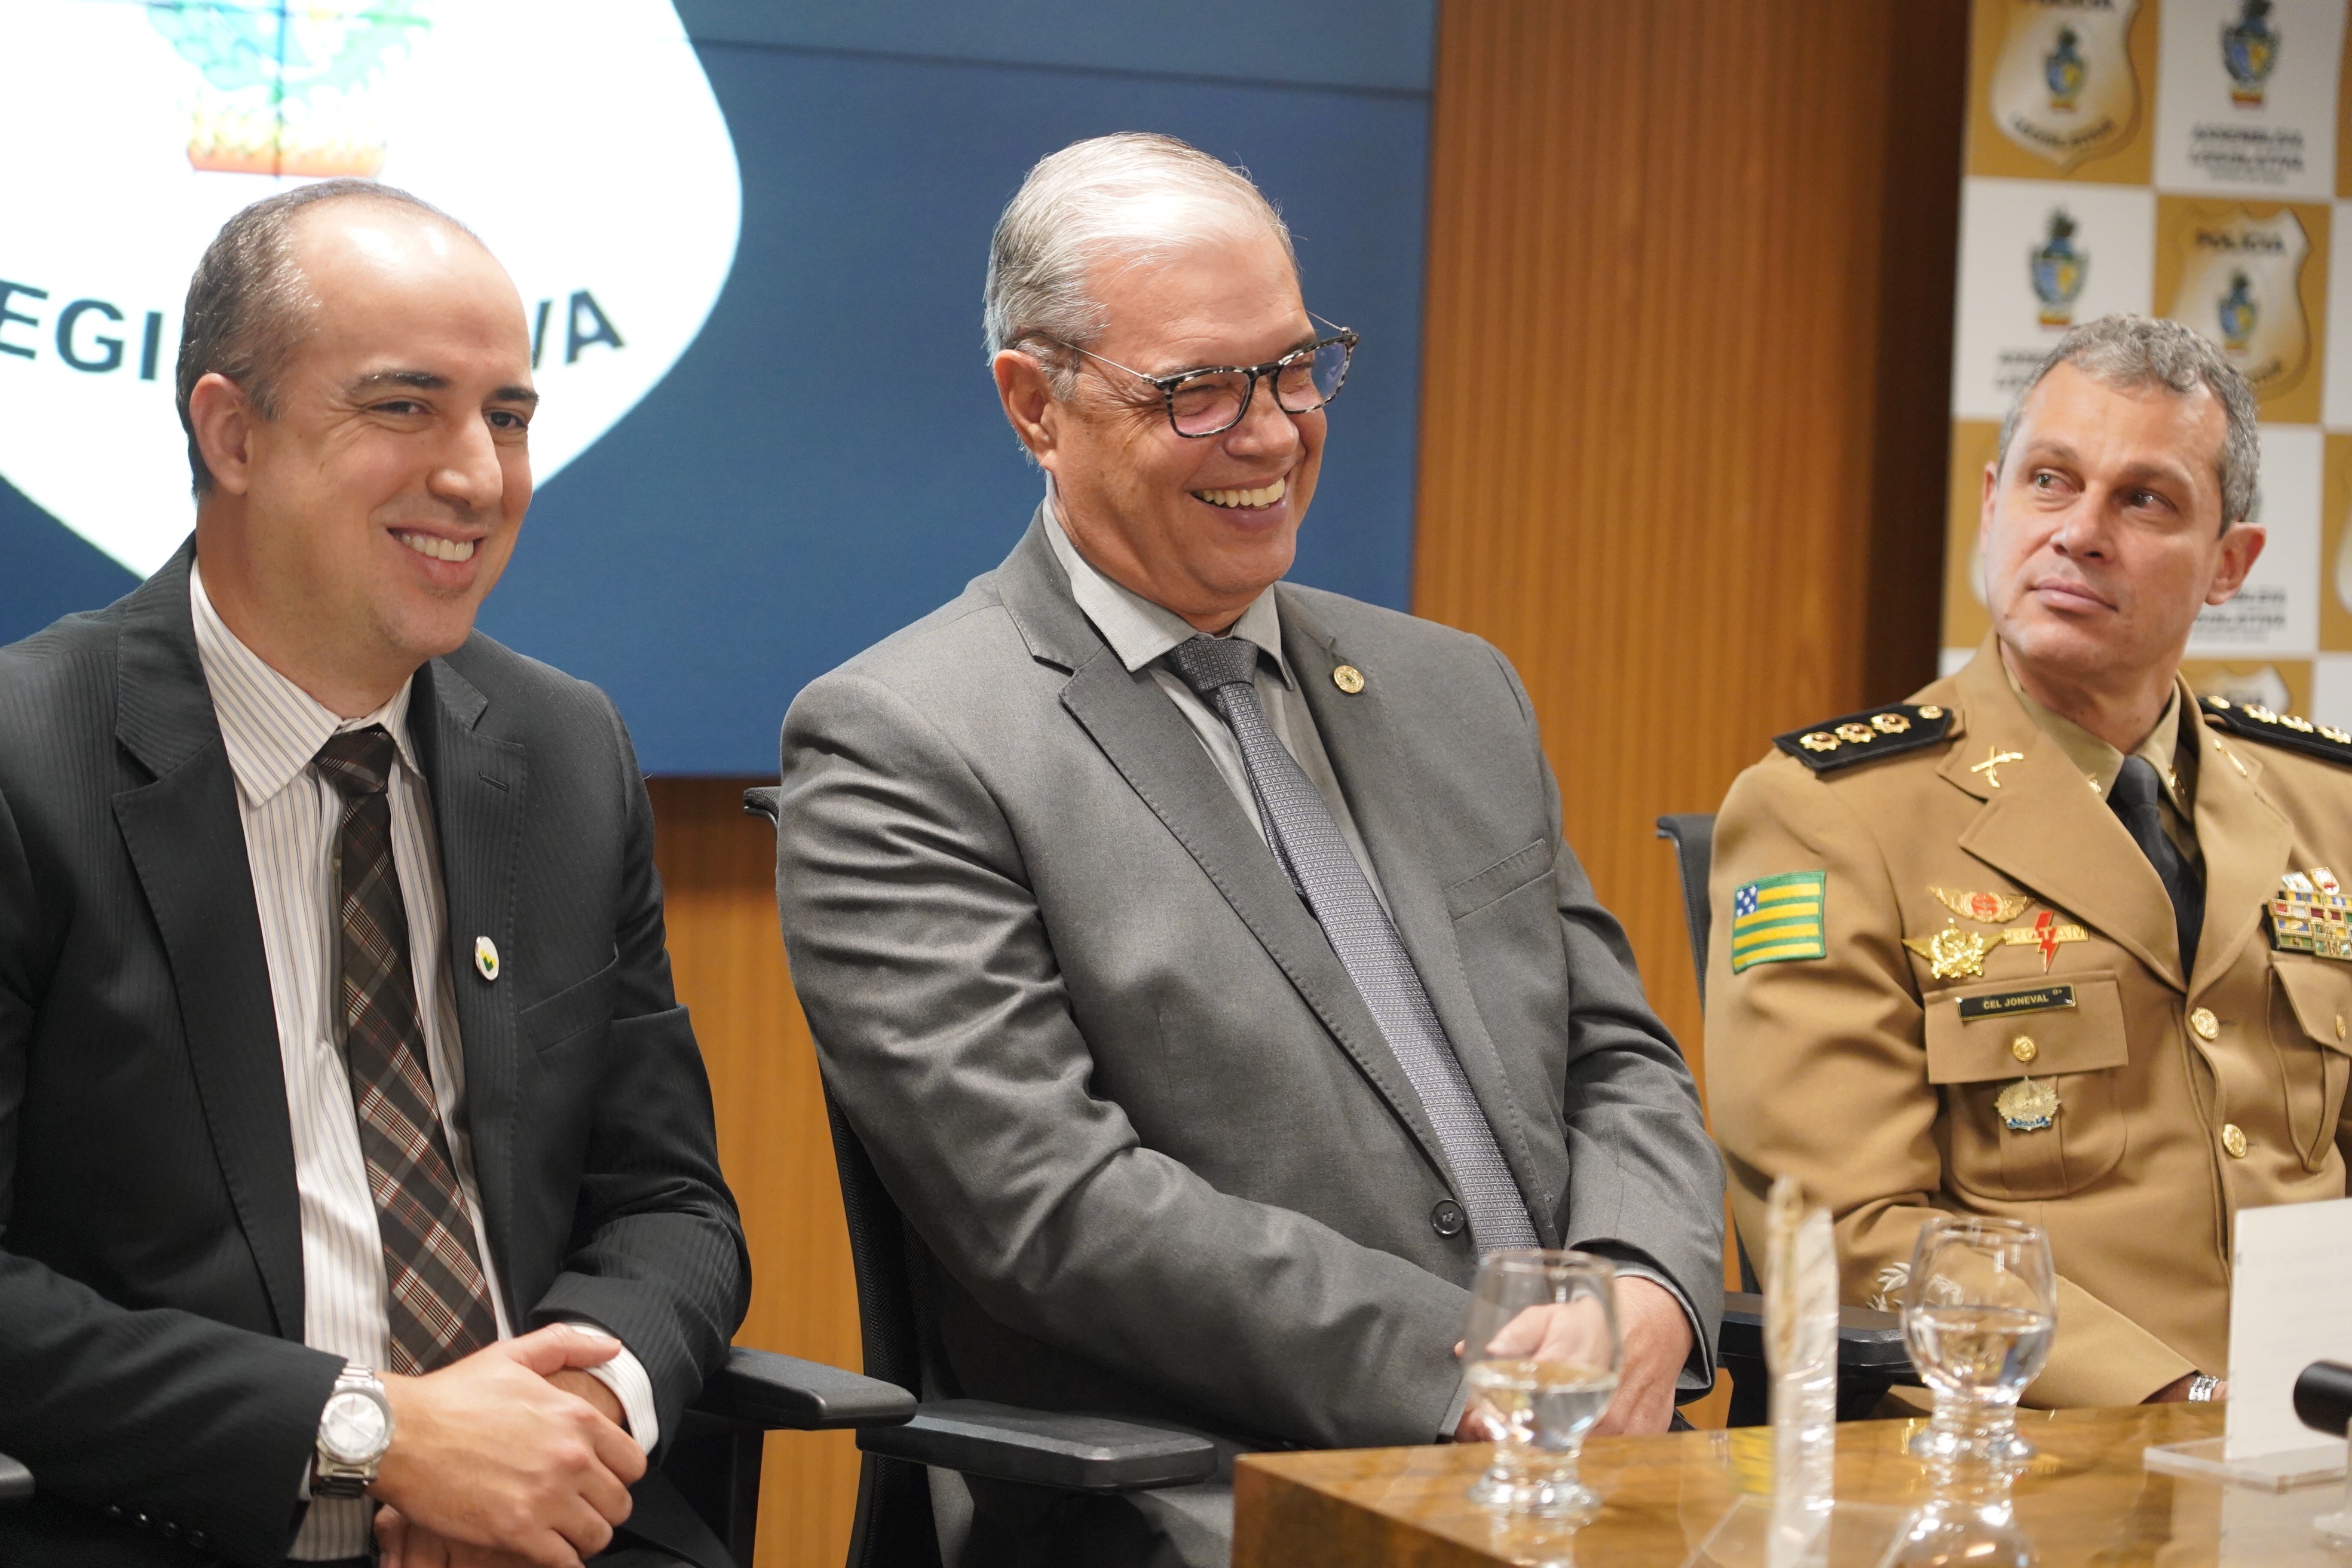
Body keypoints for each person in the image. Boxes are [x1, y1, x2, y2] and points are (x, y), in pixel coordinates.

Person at [774, 133, 1723, 1565]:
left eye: (1293, 367)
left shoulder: (1458, 690)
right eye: (1199, 391)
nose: (1274, 434)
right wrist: (1475, 1367)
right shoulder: (907, 740)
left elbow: (1618, 1058)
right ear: (1035, 404)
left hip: (1595, 1464)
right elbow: (1054, 1205)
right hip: (1217, 1495)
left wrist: (1644, 1286)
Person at [0, 181, 749, 1568]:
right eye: (406, 406)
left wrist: (557, 1428)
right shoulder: (27, 757)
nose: (477, 476)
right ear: (233, 432)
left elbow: (672, 1207)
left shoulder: (564, 750)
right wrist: (376, 1433)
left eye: (508, 417)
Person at [1708, 313, 2352, 1410]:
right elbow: (1847, 1233)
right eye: (2051, 482)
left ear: (2230, 565)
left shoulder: (2324, 802)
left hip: (2314, 1427)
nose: (2080, 533)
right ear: (1993, 504)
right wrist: (2181, 1400)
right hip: (2028, 1443)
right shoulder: (1829, 816)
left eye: (2144, 500)